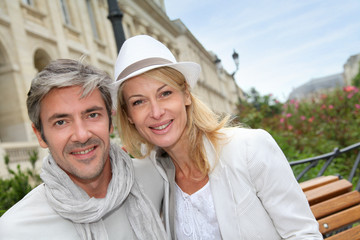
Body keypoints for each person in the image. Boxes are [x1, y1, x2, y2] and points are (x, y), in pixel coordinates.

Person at [111, 35, 323, 240]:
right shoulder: (149, 177)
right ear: (129, 115)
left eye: (165, 93)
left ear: (186, 94)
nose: (156, 112)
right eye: (139, 102)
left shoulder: (249, 148)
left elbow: (303, 234)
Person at [0, 59, 167, 240]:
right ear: (40, 135)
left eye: (92, 115)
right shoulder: (16, 230)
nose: (81, 135)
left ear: (110, 122)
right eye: (61, 122)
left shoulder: (157, 179)